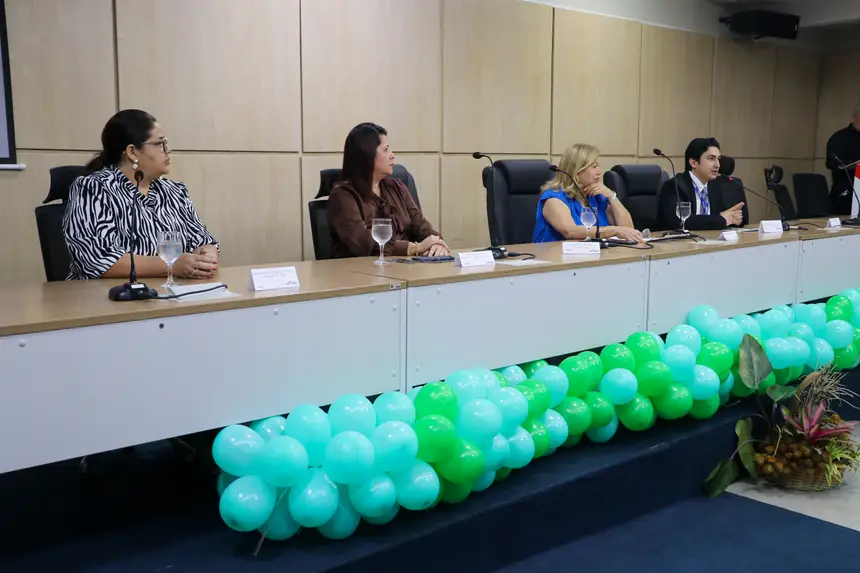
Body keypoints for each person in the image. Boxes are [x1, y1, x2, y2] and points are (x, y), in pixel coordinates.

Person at [64, 109, 218, 281]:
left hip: (170, 295)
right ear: (132, 152)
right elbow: (95, 260)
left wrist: (207, 254)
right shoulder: (93, 189)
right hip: (110, 298)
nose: (168, 151)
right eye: (160, 144)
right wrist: (172, 266)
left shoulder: (175, 191)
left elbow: (202, 239)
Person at [328, 123, 450, 258]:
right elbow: (364, 244)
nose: (392, 155)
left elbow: (420, 224)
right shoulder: (343, 195)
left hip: (404, 266)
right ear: (367, 155)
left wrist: (436, 243)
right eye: (385, 150)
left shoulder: (396, 186)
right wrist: (417, 247)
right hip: (362, 272)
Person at [533, 143, 641, 243]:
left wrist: (612, 196)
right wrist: (614, 231)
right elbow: (569, 232)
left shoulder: (596, 197)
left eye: (598, 166)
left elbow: (628, 230)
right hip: (553, 259)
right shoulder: (554, 198)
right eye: (594, 167)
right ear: (577, 172)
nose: (599, 171)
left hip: (592, 257)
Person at [658, 137, 744, 231]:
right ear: (694, 163)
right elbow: (680, 221)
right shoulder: (675, 186)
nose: (717, 165)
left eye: (718, 159)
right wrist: (721, 220)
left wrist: (734, 218)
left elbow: (726, 218)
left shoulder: (716, 186)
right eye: (711, 158)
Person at [825, 103, 860, 215]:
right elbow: (832, 163)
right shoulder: (840, 138)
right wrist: (854, 165)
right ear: (856, 117)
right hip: (845, 194)